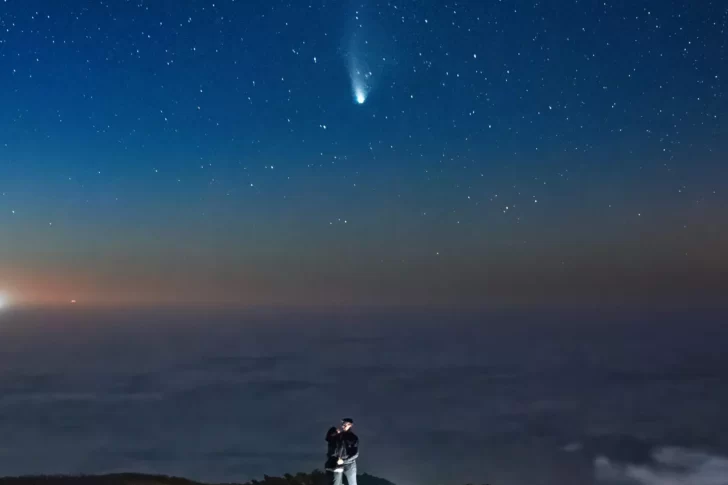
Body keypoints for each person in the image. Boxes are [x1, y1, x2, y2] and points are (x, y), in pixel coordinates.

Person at [325, 418, 359, 485]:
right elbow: (328, 438)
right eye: (342, 424)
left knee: (352, 483)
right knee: (336, 483)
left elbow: (356, 454)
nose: (343, 426)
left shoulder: (354, 437)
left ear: (350, 425)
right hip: (339, 463)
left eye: (345, 424)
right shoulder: (339, 436)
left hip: (350, 464)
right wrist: (334, 431)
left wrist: (345, 460)